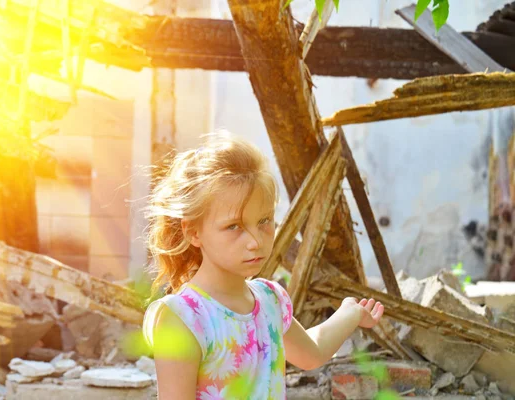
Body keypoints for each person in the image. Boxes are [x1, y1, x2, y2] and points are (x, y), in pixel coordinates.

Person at [142, 131, 384, 399]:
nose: (255, 241)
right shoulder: (183, 318)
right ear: (193, 232)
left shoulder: (270, 300)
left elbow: (311, 352)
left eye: (264, 221)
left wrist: (350, 312)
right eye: (233, 226)